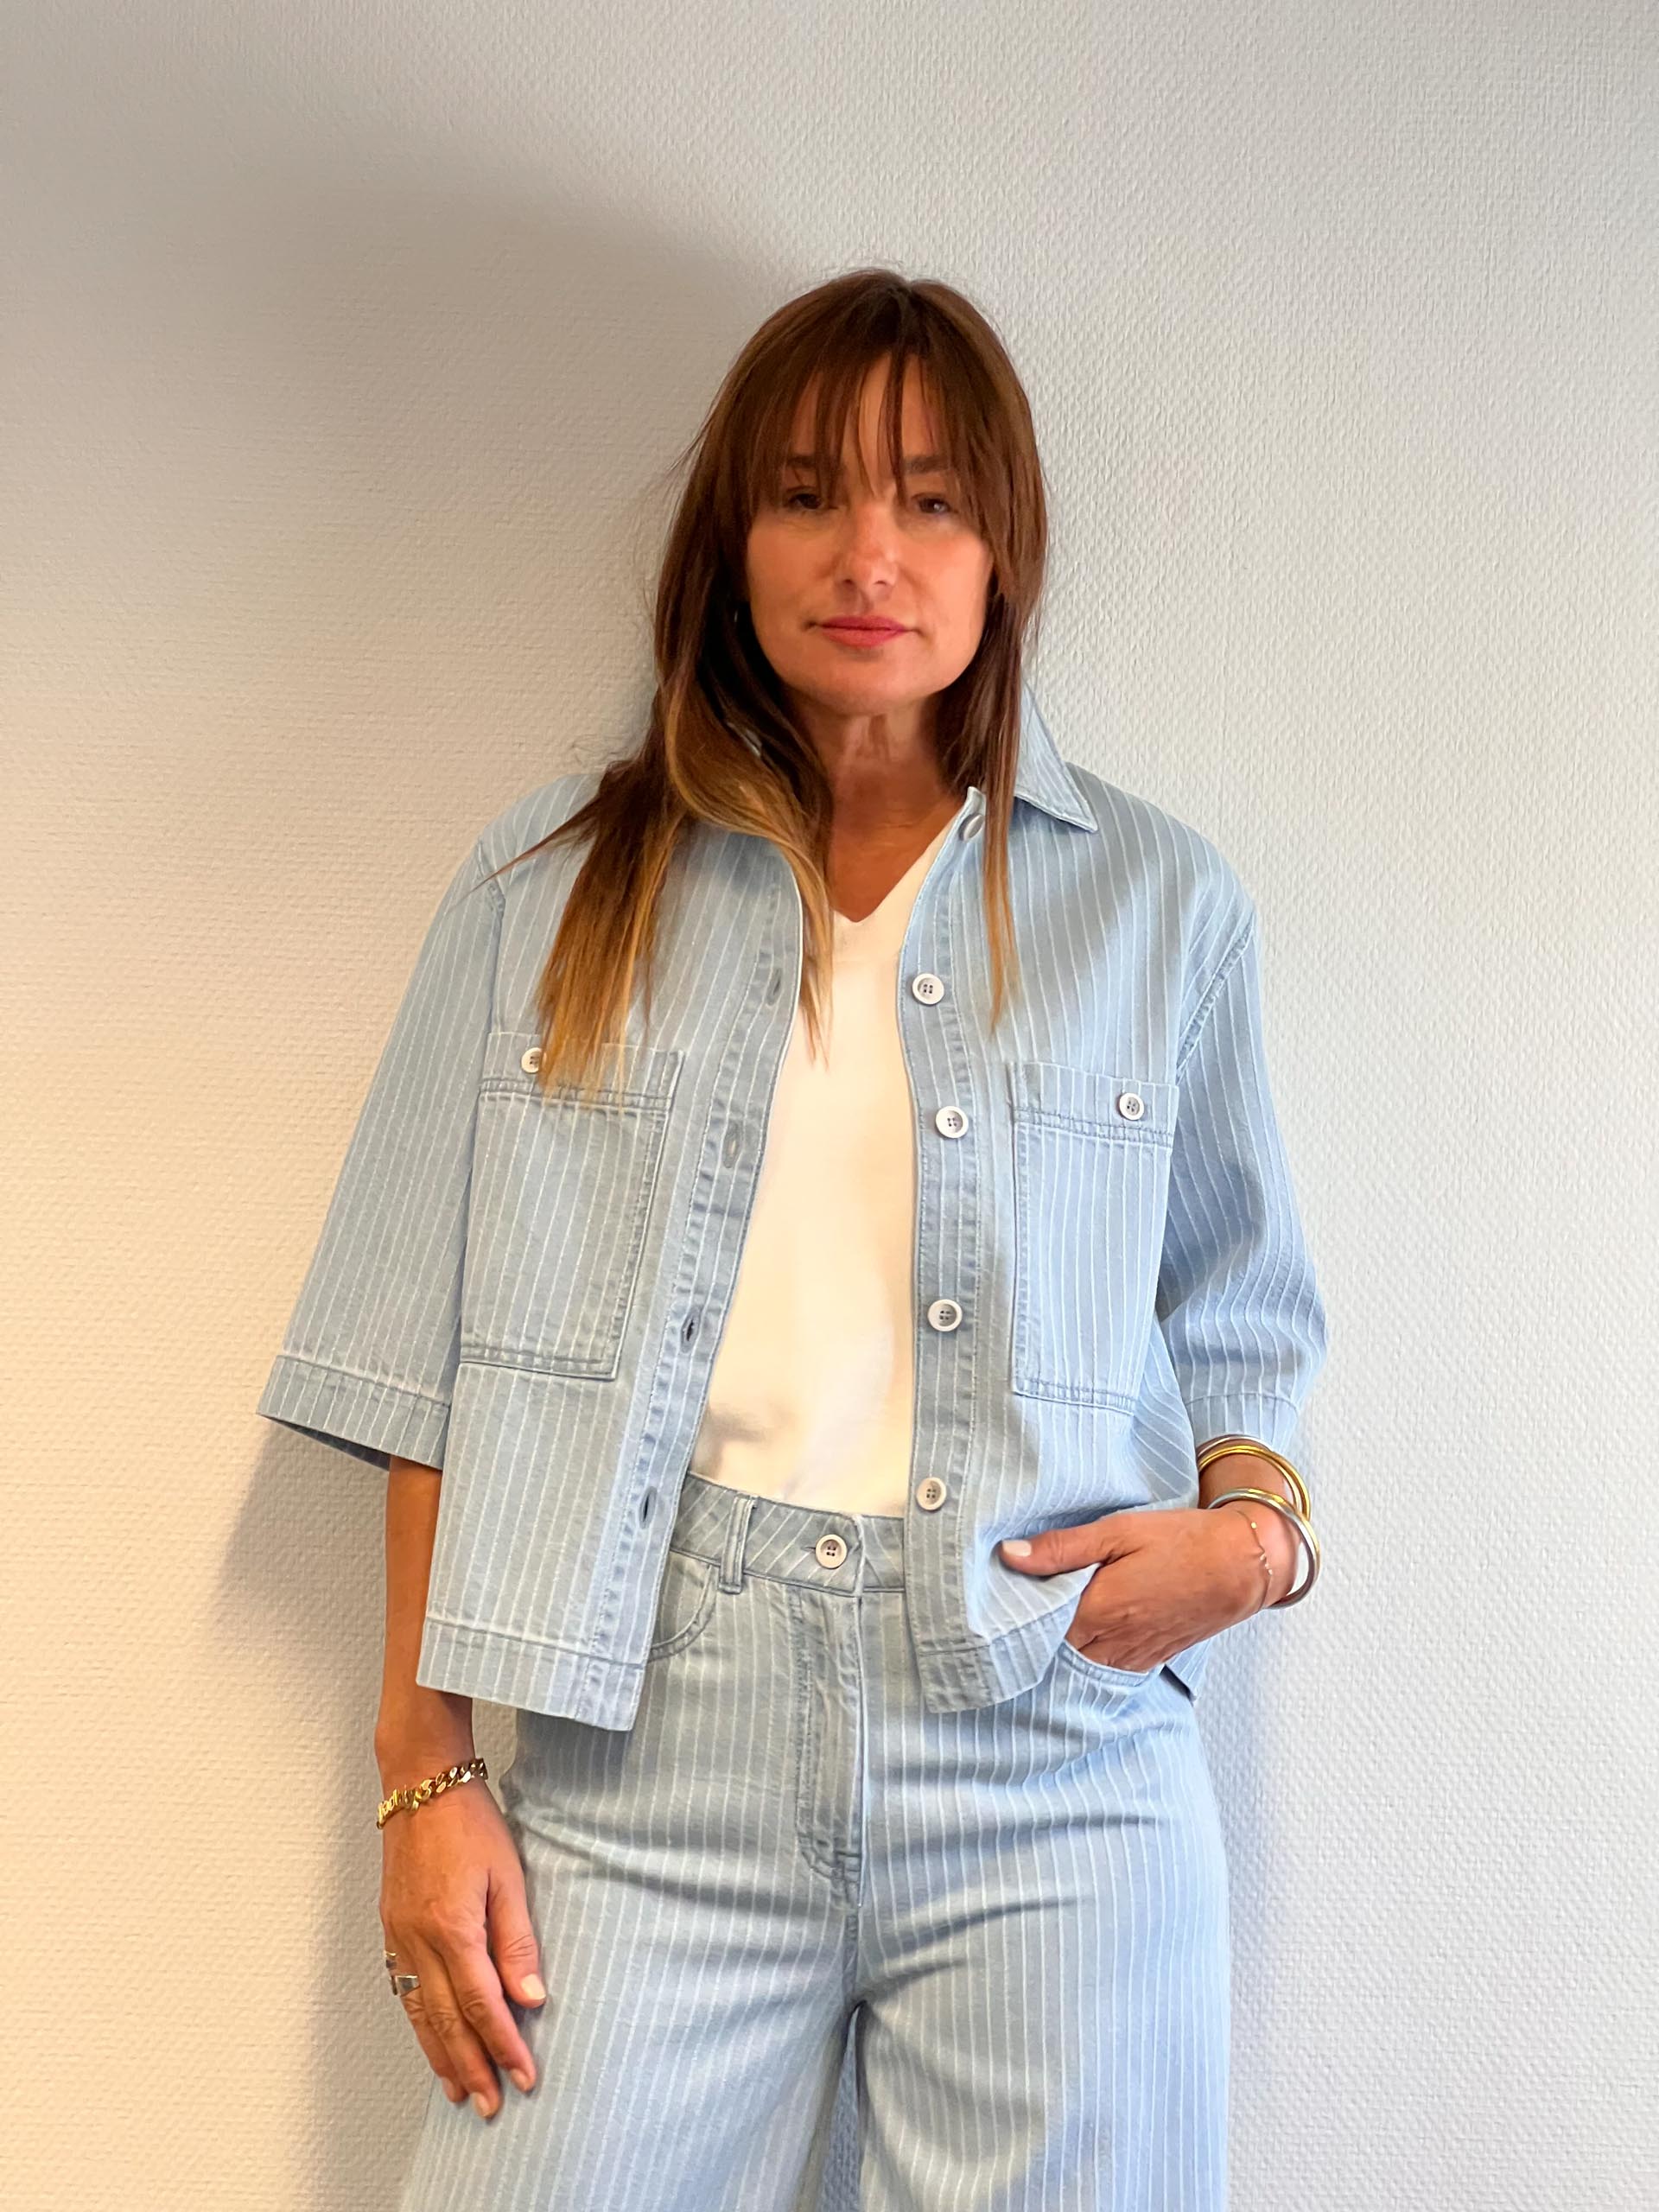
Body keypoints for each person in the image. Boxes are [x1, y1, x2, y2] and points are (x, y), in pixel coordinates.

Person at [258, 267, 1329, 2211]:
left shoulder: (1160, 909)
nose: (869, 554)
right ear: (729, 538)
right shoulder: (545, 890)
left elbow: (1242, 1323)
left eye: (932, 499)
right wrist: (425, 1772)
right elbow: (419, 1369)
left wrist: (1252, 1546)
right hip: (647, 1755)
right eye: (808, 492)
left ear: (1003, 549)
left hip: (1053, 1756)